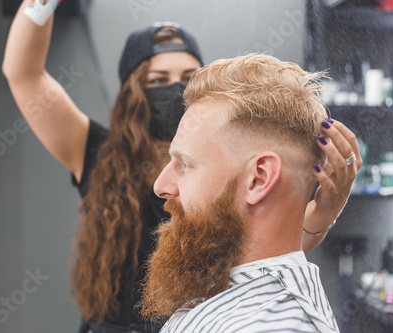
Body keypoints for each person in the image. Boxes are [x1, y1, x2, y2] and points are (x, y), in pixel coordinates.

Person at [2, 1, 360, 332]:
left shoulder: (229, 163)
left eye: (188, 78)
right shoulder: (97, 152)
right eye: (158, 81)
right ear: (133, 91)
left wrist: (324, 212)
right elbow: (24, 76)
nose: (174, 90)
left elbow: (260, 242)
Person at [140, 53, 358, 332]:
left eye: (185, 164)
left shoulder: (271, 326)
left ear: (259, 179)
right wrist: (321, 216)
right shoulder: (228, 281)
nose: (161, 185)